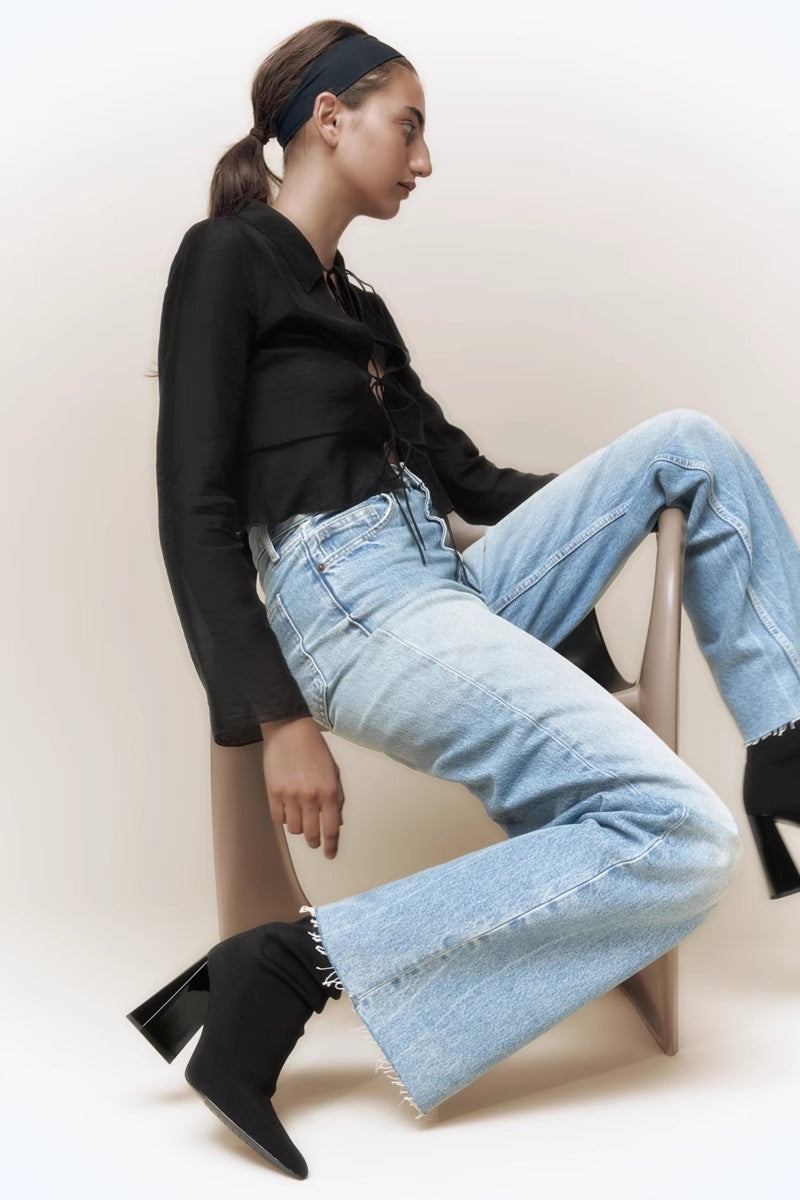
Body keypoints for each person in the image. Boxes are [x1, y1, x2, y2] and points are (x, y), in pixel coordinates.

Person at [133, 19, 800, 1181]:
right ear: (329, 118)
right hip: (348, 606)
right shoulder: (224, 257)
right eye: (409, 127)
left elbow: (469, 483)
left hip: (443, 581)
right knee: (682, 837)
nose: (424, 160)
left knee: (683, 445)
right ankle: (288, 969)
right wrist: (274, 715)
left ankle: (786, 743)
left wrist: (624, 503)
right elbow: (191, 506)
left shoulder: (361, 307)